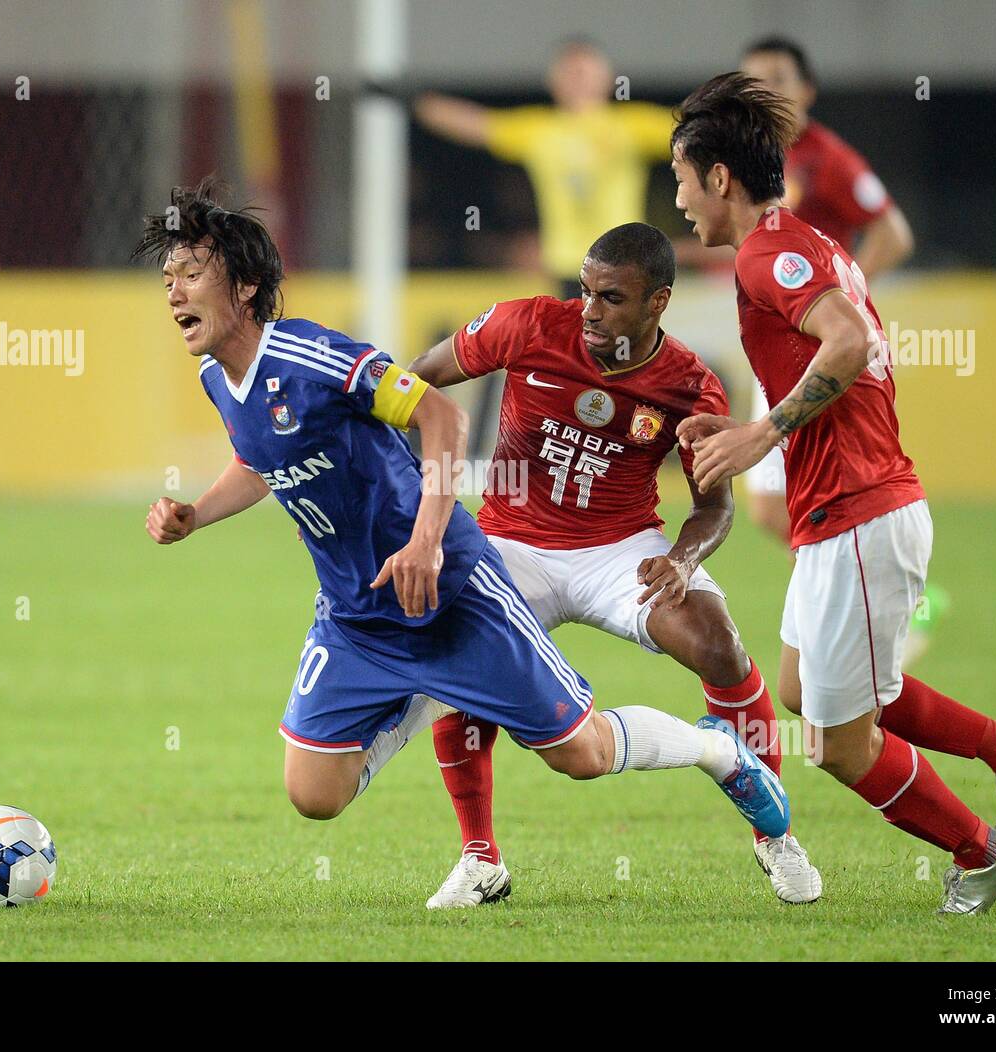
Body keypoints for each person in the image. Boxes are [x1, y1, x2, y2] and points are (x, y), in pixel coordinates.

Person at [134, 179, 789, 896]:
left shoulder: (315, 359)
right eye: (168, 277)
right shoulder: (218, 378)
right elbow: (261, 459)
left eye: (191, 274)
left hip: (459, 580)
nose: (173, 292)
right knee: (314, 795)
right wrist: (196, 513)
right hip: (356, 611)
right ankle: (470, 830)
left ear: (248, 286)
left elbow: (440, 415)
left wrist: (424, 535)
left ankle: (712, 748)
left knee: (583, 754)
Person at [669, 75, 996, 913]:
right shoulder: (805, 242)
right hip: (846, 513)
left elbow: (847, 342)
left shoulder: (765, 252)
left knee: (837, 743)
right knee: (805, 689)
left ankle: (984, 853)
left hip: (860, 513)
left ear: (719, 178)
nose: (677, 199)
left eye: (680, 176)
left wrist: (760, 434)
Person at [409, 222, 821, 909]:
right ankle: (480, 858)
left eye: (611, 298)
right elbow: (416, 381)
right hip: (512, 543)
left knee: (719, 646)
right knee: (460, 669)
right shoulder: (528, 325)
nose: (591, 311)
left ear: (658, 302)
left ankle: (772, 835)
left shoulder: (691, 386)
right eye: (585, 291)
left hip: (620, 550)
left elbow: (713, 508)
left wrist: (684, 561)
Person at [733, 41, 941, 661]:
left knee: (797, 500)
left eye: (776, 81)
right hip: (777, 344)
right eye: (752, 83)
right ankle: (867, 598)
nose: (764, 95)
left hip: (819, 344)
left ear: (807, 90)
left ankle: (886, 602)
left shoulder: (824, 158)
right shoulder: (755, 159)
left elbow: (895, 233)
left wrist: (842, 285)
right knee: (771, 508)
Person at [414, 37, 672, 298]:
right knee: (576, 337)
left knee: (623, 336)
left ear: (606, 78)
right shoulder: (541, 130)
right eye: (569, 73)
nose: (577, 80)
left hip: (623, 263)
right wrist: (416, 99)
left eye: (583, 72)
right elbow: (476, 125)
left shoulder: (631, 127)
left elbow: (690, 127)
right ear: (553, 81)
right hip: (570, 268)